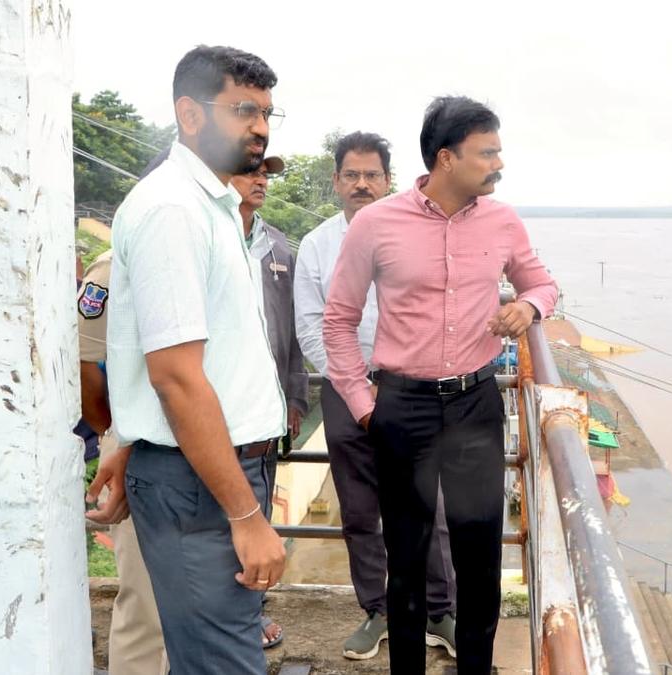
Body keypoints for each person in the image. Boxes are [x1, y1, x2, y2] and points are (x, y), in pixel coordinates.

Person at [323, 98, 557, 674]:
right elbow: (338, 318)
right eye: (488, 152)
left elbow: (544, 285)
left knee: (479, 562)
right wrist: (362, 403)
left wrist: (526, 306)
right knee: (406, 562)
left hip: (477, 404)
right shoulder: (377, 223)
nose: (498, 164)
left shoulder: (503, 220)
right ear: (448, 158)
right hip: (401, 408)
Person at [100, 45, 289, 675]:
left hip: (200, 472)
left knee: (208, 658)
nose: (260, 127)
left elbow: (182, 359)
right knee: (223, 663)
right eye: (243, 110)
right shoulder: (173, 210)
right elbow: (176, 377)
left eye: (266, 112)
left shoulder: (210, 208)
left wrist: (137, 439)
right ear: (189, 114)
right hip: (206, 488)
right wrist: (246, 515)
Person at [294, 132, 457, 661]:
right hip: (346, 388)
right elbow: (311, 325)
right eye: (351, 175)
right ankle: (378, 610)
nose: (361, 185)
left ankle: (439, 611)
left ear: (388, 179)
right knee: (360, 508)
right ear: (337, 181)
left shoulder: (420, 235)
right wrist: (353, 384)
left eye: (372, 175)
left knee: (425, 503)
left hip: (411, 387)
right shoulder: (317, 245)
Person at [231, 156, 308, 649]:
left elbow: (295, 332)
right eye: (250, 170)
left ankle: (251, 614)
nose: (260, 180)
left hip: (266, 414)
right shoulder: (205, 235)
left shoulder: (278, 245)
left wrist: (296, 396)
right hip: (211, 410)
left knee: (257, 513)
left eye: (266, 173)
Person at [79, 251, 169, 675]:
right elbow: (86, 364)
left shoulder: (217, 245)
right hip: (135, 439)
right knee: (144, 601)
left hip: (206, 439)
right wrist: (111, 433)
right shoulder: (114, 267)